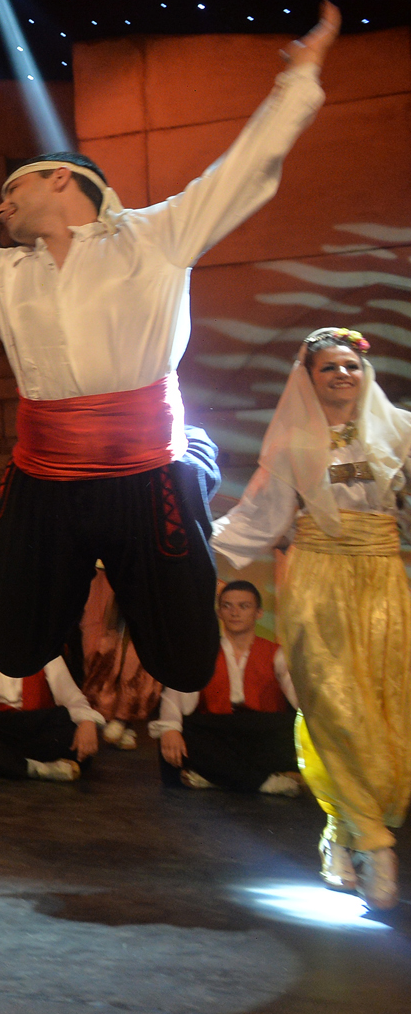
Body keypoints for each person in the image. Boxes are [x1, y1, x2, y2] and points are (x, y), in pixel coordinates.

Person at [0, 3, 339, 695]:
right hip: (46, 481)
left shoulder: (155, 237)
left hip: (146, 475)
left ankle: (191, 460)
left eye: (12, 189)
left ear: (61, 178)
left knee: (186, 662)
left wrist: (300, 79)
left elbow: (246, 167)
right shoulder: (2, 273)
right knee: (14, 650)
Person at [213, 326, 411, 911]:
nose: (343, 375)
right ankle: (374, 842)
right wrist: (187, 542)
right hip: (318, 580)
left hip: (382, 581)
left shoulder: (400, 431)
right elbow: (260, 515)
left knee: (383, 710)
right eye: (329, 367)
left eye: (350, 365)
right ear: (309, 378)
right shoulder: (294, 443)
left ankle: (341, 830)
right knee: (333, 705)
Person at [150, 580, 300, 795]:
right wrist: (170, 730)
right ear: (219, 612)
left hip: (262, 731)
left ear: (258, 613)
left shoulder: (276, 653)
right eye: (227, 606)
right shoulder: (203, 654)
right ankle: (262, 782)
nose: (234, 613)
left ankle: (220, 777)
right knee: (179, 732)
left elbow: (299, 698)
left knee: (293, 729)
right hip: (217, 729)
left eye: (244, 606)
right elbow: (174, 695)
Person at [0, 643, 103, 783]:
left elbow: (71, 697)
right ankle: (33, 769)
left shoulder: (46, 654)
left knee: (76, 739)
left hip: (34, 728)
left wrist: (87, 721)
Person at [78, 567, 163, 750]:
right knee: (103, 648)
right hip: (109, 577)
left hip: (145, 581)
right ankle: (108, 717)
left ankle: (123, 719)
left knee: (135, 659)